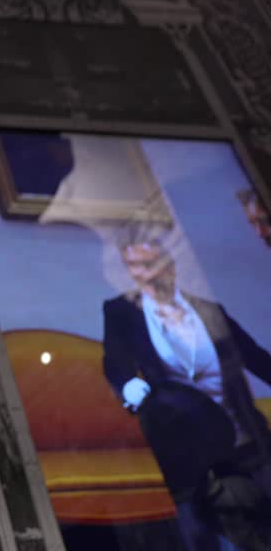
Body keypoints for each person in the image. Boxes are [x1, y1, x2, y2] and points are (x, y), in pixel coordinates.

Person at [102, 231, 271, 550]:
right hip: (185, 450)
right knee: (202, 539)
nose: (141, 274)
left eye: (149, 263)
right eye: (132, 266)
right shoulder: (120, 312)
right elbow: (115, 362)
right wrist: (128, 384)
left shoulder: (209, 310)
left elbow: (256, 357)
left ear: (170, 266)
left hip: (245, 440)